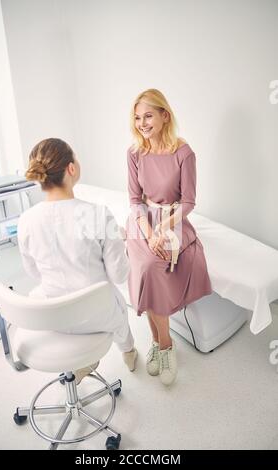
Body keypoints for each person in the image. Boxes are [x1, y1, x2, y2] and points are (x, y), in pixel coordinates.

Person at [17, 138, 138, 383]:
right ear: (71, 169)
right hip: (97, 316)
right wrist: (121, 243)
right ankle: (128, 351)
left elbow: (33, 272)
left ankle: (84, 361)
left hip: (52, 317)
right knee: (119, 314)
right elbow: (120, 275)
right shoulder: (99, 214)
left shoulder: (26, 220)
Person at [126, 89, 212, 386]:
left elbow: (189, 202)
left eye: (148, 116)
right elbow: (135, 199)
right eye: (137, 117)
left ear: (165, 115)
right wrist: (149, 232)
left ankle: (159, 344)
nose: (142, 123)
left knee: (152, 268)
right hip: (141, 222)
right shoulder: (134, 153)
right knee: (147, 265)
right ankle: (164, 345)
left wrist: (164, 228)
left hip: (174, 220)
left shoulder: (183, 153)